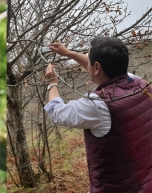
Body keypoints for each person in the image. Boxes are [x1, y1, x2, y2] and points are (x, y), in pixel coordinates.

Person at [44, 37, 152, 193]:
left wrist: (52, 84)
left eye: (89, 62)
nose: (86, 63)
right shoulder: (140, 84)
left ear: (97, 67)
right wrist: (68, 53)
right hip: (145, 181)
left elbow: (57, 112)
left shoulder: (98, 104)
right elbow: (98, 65)